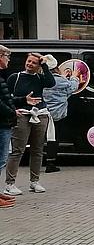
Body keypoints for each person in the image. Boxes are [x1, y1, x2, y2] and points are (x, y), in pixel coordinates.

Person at [5, 52, 56, 195]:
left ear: (38, 66)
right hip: (22, 114)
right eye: (28, 61)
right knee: (18, 150)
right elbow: (7, 97)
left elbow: (51, 83)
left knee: (38, 149)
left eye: (34, 62)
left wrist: (45, 64)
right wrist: (20, 102)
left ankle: (34, 181)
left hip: (40, 114)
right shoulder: (15, 77)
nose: (30, 64)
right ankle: (10, 183)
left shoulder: (40, 78)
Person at [42, 55, 81, 173]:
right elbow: (72, 88)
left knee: (41, 139)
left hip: (43, 113)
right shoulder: (61, 81)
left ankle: (39, 161)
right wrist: (74, 77)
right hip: (57, 115)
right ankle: (51, 163)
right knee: (54, 138)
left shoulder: (41, 79)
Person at [0, 46, 18, 207]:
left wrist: (22, 101)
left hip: (4, 122)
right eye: (7, 56)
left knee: (2, 158)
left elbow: (6, 97)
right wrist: (11, 112)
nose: (9, 59)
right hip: (1, 122)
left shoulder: (2, 75)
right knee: (0, 159)